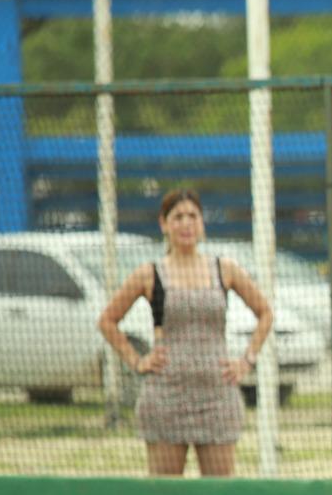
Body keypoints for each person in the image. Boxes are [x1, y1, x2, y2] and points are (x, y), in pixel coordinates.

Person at [96, 187, 273, 477]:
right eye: (178, 217)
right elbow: (107, 321)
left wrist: (247, 360)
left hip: (217, 398)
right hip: (166, 400)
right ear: (163, 224)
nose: (186, 224)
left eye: (193, 216)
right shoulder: (149, 273)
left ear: (202, 222)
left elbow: (265, 312)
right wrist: (138, 361)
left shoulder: (224, 269)